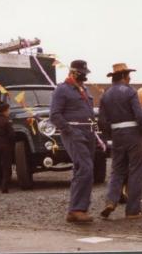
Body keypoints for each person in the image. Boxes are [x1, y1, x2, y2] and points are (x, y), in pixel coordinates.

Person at [98, 63, 142, 219]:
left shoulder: (105, 95)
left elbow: (102, 121)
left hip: (117, 135)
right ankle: (133, 210)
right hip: (134, 134)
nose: (130, 77)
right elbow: (140, 115)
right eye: (128, 75)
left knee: (117, 170)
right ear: (124, 76)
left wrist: (110, 136)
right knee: (137, 170)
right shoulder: (130, 91)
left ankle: (111, 201)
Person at [50, 60, 96, 223]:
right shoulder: (62, 90)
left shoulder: (85, 89)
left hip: (88, 134)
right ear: (74, 72)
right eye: (83, 73)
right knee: (86, 168)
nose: (86, 76)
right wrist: (70, 131)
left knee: (82, 170)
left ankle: (77, 210)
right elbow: (55, 115)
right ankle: (77, 209)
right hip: (74, 134)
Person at [0, 103, 15, 193]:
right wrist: (11, 144)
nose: (9, 112)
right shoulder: (7, 120)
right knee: (6, 167)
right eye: (8, 110)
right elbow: (11, 134)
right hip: (5, 146)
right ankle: (4, 187)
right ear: (5, 111)